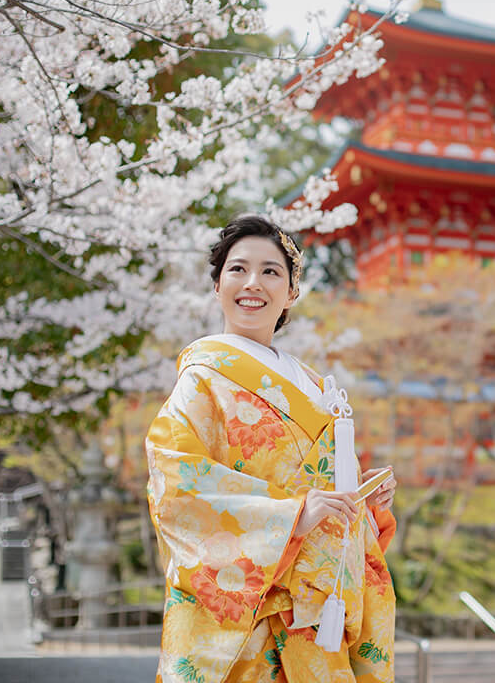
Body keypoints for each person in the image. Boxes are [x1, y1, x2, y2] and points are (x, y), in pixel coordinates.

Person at [146, 214, 397, 683]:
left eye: (271, 271)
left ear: (292, 292)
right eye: (238, 269)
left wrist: (361, 503)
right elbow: (174, 484)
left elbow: (323, 490)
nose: (253, 283)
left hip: (320, 614)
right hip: (256, 612)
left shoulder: (316, 385)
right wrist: (290, 518)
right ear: (217, 284)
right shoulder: (203, 377)